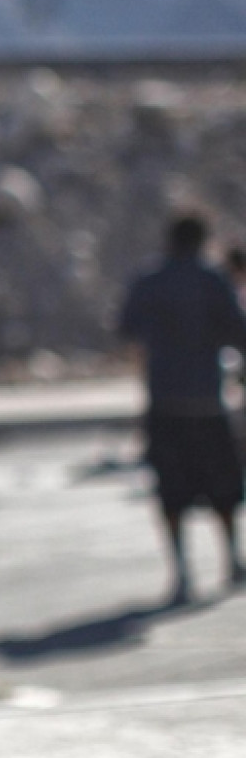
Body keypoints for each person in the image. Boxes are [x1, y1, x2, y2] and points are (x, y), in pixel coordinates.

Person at [117, 214, 246, 605]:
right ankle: (233, 560)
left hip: (165, 402)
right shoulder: (212, 278)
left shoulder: (148, 279)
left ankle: (182, 570)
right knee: (223, 487)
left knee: (171, 492)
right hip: (208, 401)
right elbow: (238, 332)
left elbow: (126, 329)